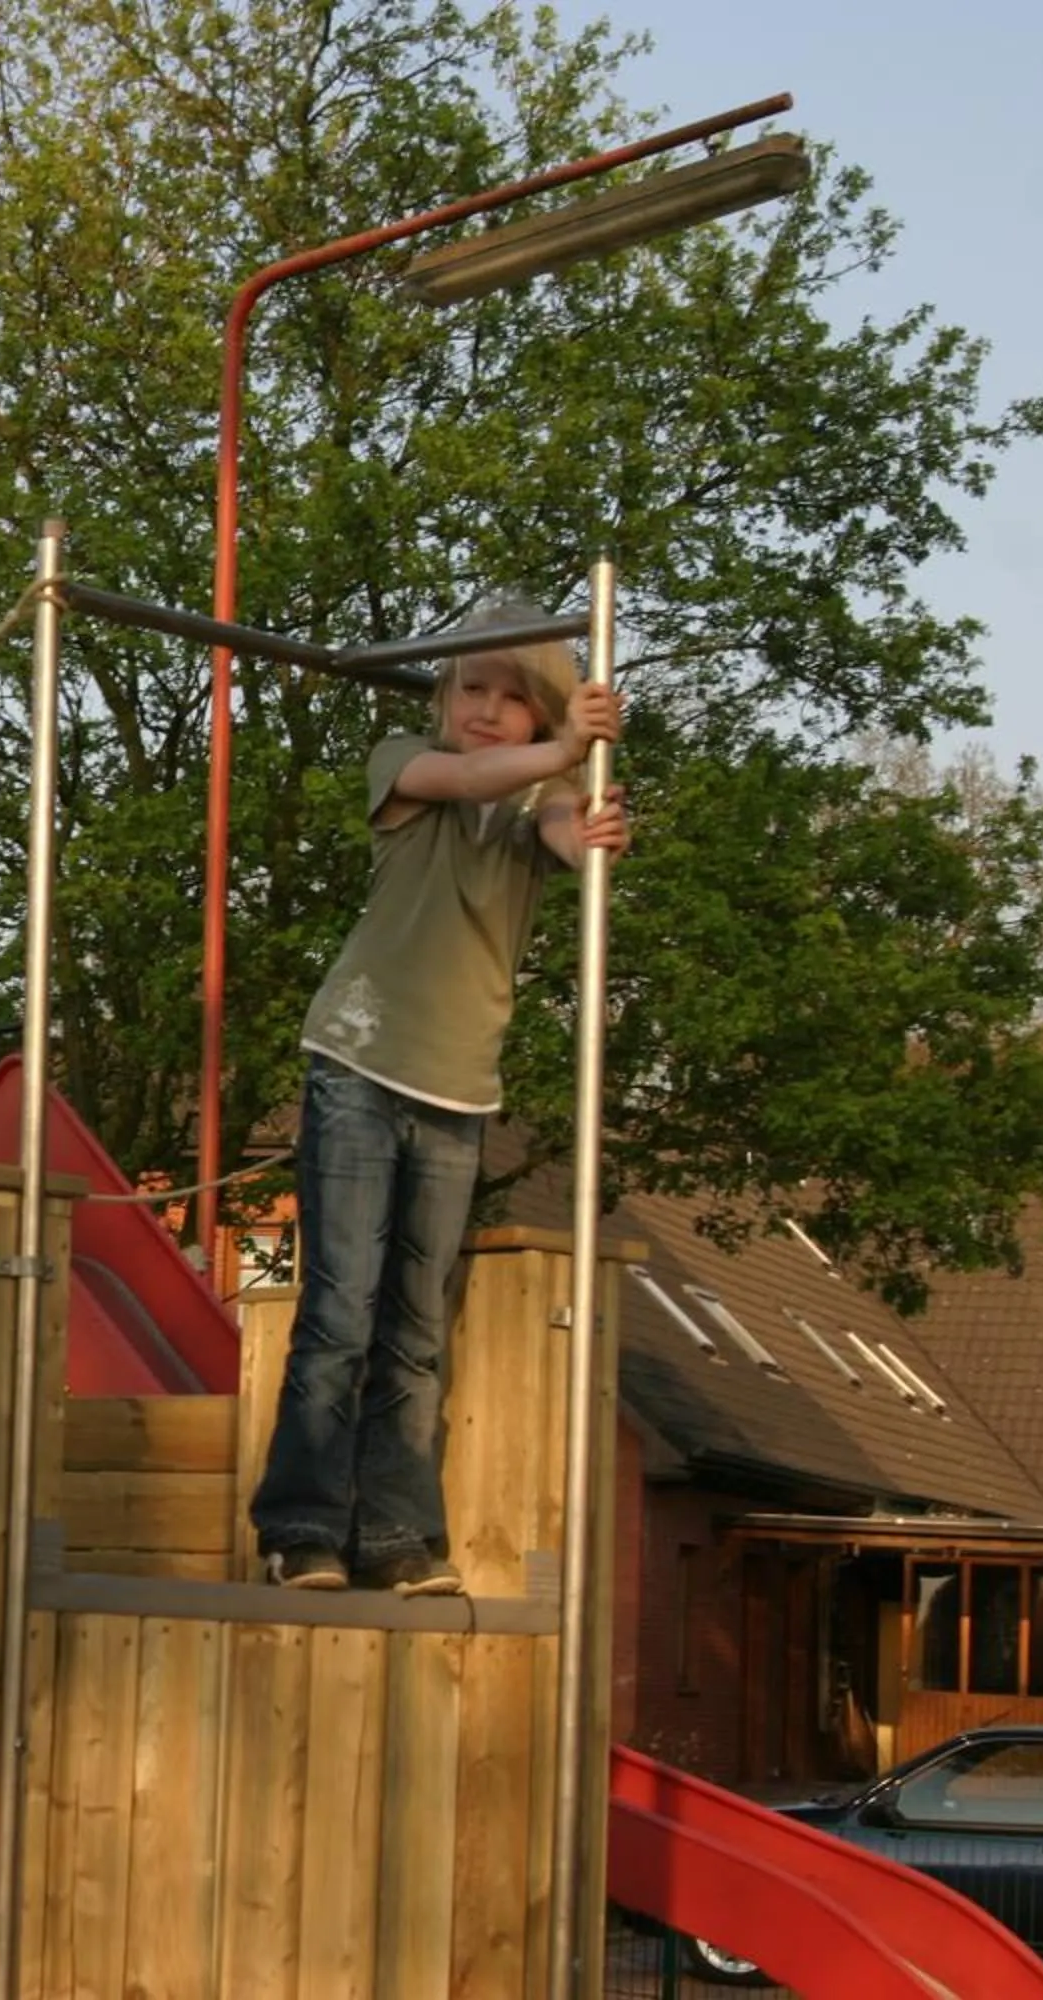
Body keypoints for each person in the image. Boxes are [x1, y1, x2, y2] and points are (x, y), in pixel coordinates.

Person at [249, 609, 630, 1596]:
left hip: (456, 1086)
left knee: (416, 1324)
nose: (489, 711)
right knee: (341, 1307)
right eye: (472, 690)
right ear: (442, 700)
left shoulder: (542, 792)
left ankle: (396, 1532)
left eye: (513, 696)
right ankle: (301, 1526)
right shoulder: (406, 763)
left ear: (538, 708)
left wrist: (592, 825)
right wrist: (567, 741)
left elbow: (560, 828)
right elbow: (464, 779)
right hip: (359, 1064)